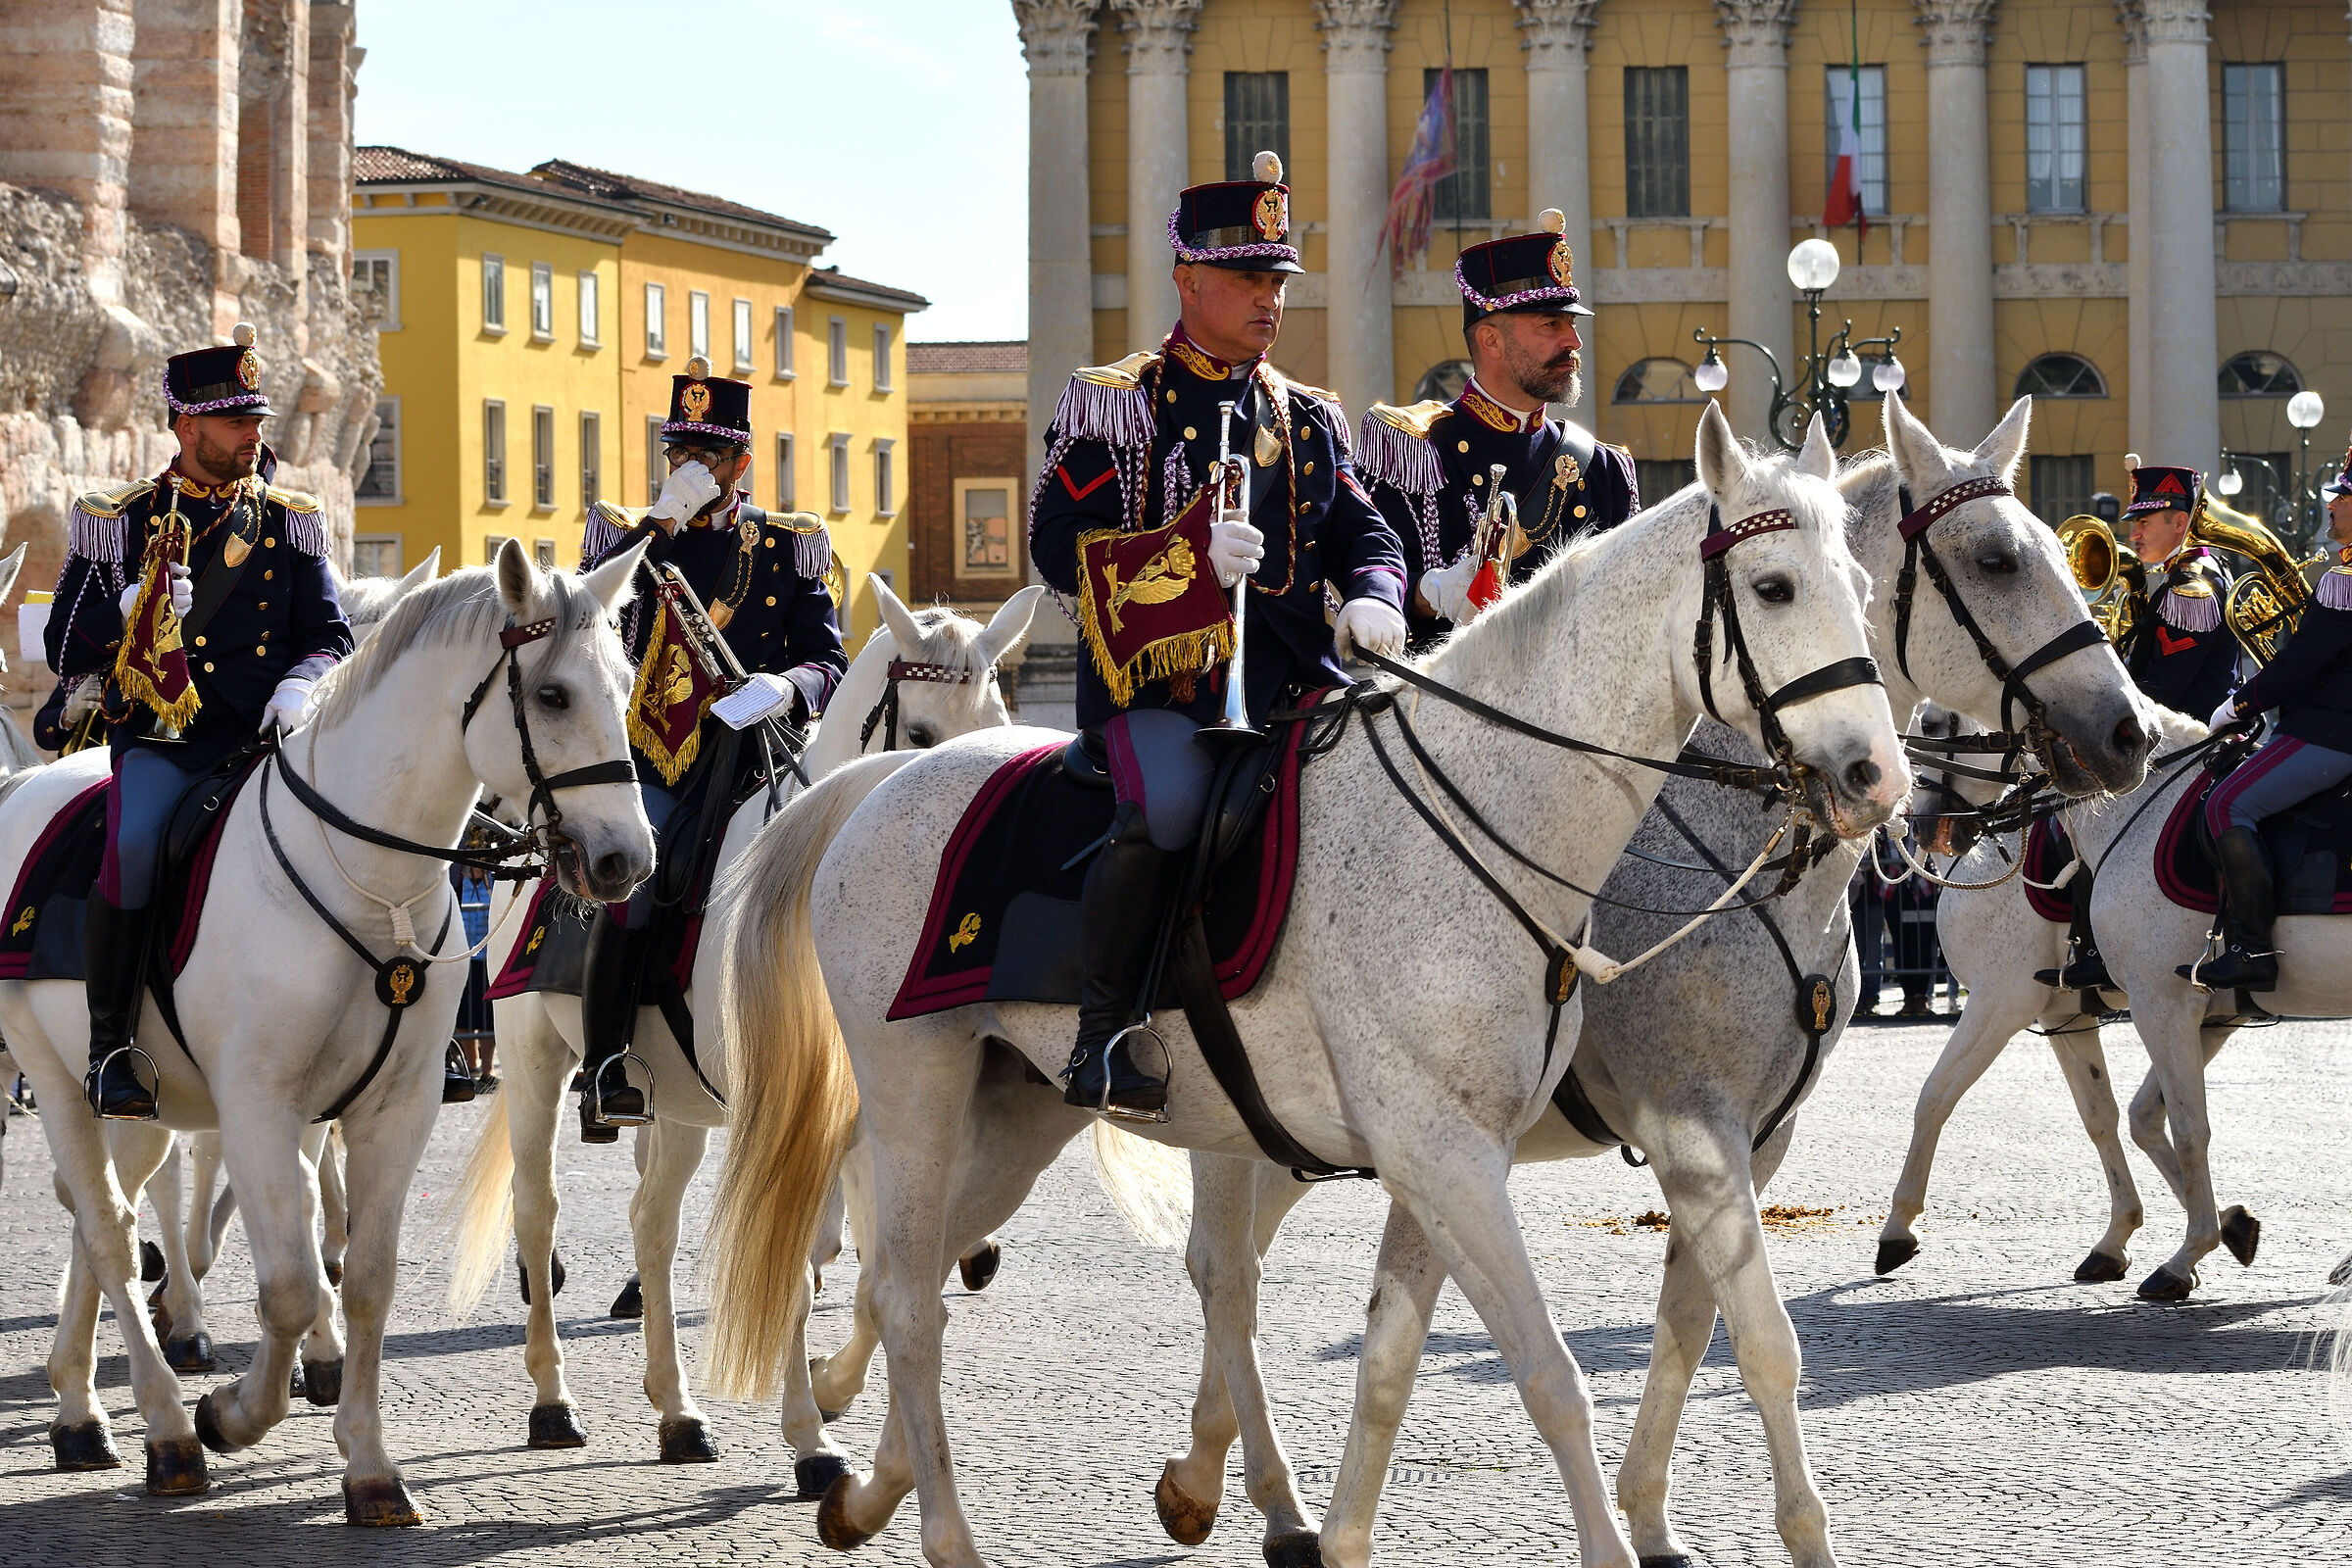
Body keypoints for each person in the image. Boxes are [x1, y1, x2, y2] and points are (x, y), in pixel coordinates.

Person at [1029, 151, 1408, 1117]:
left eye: (1278, 279)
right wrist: (1184, 561)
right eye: (1247, 278)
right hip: (1162, 692)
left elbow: (1367, 532)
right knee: (1165, 811)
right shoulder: (1121, 402)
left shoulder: (1310, 416)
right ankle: (1104, 1034)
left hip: (1297, 681)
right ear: (1189, 280)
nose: (1269, 297)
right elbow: (1056, 544)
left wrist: (1377, 594)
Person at [48, 323, 354, 1119]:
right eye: (237, 422)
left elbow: (330, 634)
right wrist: (127, 610)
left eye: (257, 420)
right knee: (135, 844)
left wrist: (301, 684)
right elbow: (63, 646)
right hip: (168, 744)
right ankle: (112, 1046)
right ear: (188, 427)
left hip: (268, 740)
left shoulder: (289, 519)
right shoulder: (120, 519)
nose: (255, 435)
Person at [573, 359, 847, 1140]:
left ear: (742, 462)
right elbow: (588, 619)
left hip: (760, 756)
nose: (692, 466)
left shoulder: (789, 543)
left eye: (710, 455)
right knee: (633, 877)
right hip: (660, 754)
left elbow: (829, 659)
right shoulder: (628, 536)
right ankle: (606, 1064)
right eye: (680, 453)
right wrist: (659, 523)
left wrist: (784, 687)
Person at [1353, 209, 1639, 648]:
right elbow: (1373, 577)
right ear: (1491, 340)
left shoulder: (1604, 468)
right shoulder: (1414, 449)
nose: (1574, 342)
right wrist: (1430, 592)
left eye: (1572, 324)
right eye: (1551, 324)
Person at [2039, 458, 2239, 993]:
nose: (2133, 534)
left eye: (2145, 522)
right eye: (2134, 522)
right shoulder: (2175, 580)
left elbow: (2164, 689)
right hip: (2176, 737)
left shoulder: (2192, 588)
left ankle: (2098, 946)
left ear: (2180, 521)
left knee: (2077, 809)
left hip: (2189, 741)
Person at [2179, 449, 2352, 991]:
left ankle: (2252, 948)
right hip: (2331, 728)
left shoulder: (2345, 579)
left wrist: (2237, 705)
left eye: (2343, 497)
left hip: (2330, 733)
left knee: (2227, 804)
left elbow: (2300, 665)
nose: (2332, 506)